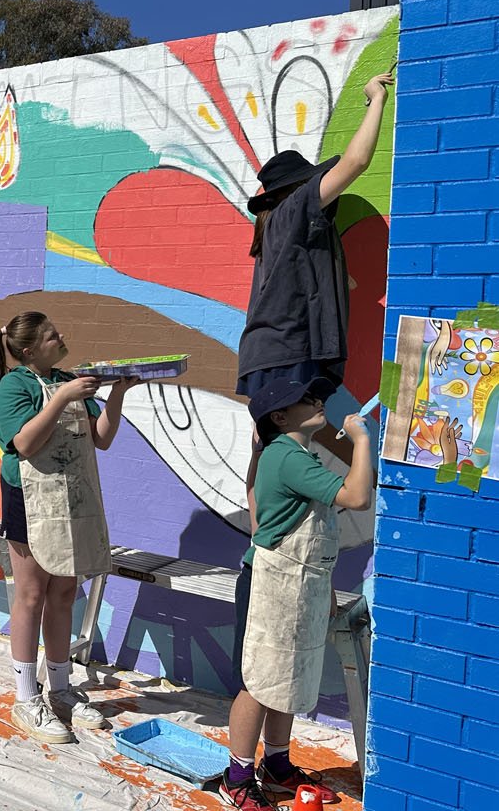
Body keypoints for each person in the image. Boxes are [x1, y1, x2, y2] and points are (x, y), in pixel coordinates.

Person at [0, 311, 139, 744]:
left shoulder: (70, 378)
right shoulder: (14, 386)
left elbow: (101, 438)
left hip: (72, 499)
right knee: (32, 595)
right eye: (52, 335)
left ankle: (62, 689)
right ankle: (26, 696)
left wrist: (118, 395)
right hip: (30, 501)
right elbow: (25, 443)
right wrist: (61, 398)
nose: (62, 337)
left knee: (65, 592)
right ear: (30, 349)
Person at [220, 376, 373, 810]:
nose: (318, 401)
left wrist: (322, 587)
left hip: (299, 585)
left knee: (286, 678)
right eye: (307, 399)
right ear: (280, 416)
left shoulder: (284, 454)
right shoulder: (287, 457)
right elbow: (357, 496)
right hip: (270, 587)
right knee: (257, 681)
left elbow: (257, 505)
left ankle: (278, 764)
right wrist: (361, 440)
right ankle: (237, 777)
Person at [236, 70, 396, 401]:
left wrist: (339, 277)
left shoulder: (279, 227)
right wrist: (376, 99)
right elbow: (356, 162)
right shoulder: (294, 208)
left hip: (273, 354)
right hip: (287, 353)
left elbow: (304, 273)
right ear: (295, 189)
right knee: (285, 440)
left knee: (269, 440)